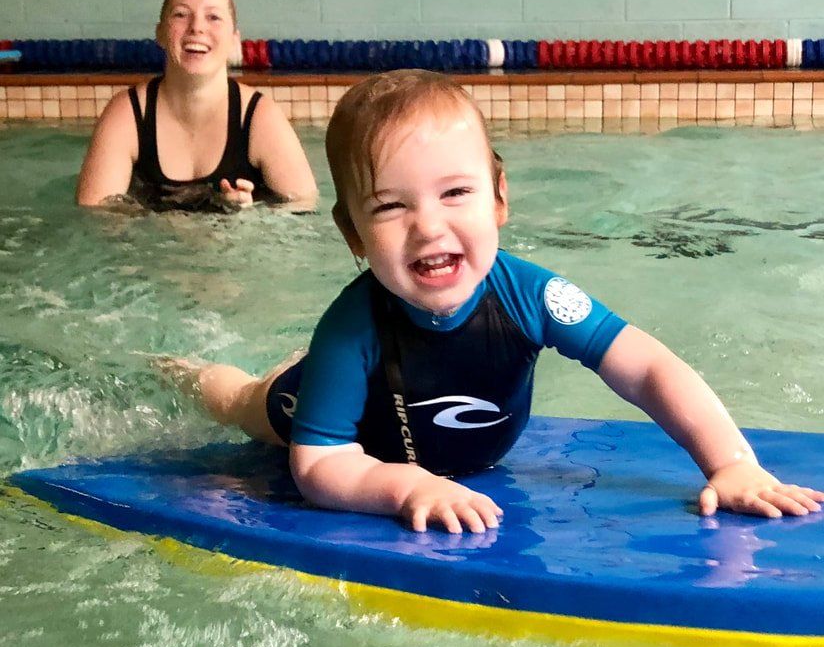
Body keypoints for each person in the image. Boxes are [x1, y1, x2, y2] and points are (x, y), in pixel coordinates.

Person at [186, 69, 823, 533]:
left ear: (499, 199)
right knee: (241, 401)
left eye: (455, 193)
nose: (428, 226)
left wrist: (731, 464)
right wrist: (404, 487)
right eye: (390, 206)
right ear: (353, 233)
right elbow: (320, 464)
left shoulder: (531, 296)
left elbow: (649, 367)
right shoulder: (350, 328)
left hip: (408, 405)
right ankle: (188, 373)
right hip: (304, 406)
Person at [76, 0, 317, 212]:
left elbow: (304, 208)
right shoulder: (127, 113)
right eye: (181, 14)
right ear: (160, 33)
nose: (197, 28)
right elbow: (95, 216)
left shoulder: (260, 118)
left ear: (234, 40)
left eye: (213, 17)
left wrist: (251, 218)